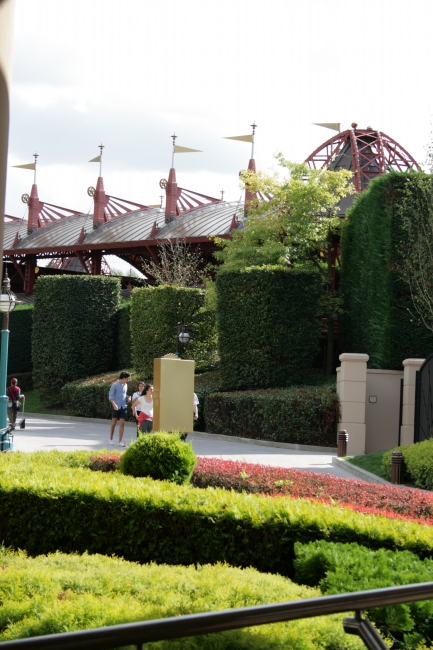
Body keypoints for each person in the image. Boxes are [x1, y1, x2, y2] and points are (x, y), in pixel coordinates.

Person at [108, 371, 131, 447]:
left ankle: (120, 441)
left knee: (122, 423)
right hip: (116, 406)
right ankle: (111, 439)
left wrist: (128, 398)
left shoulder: (126, 385)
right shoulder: (114, 385)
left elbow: (124, 395)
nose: (128, 380)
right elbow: (111, 397)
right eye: (127, 378)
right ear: (124, 378)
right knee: (113, 423)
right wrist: (114, 404)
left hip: (123, 406)